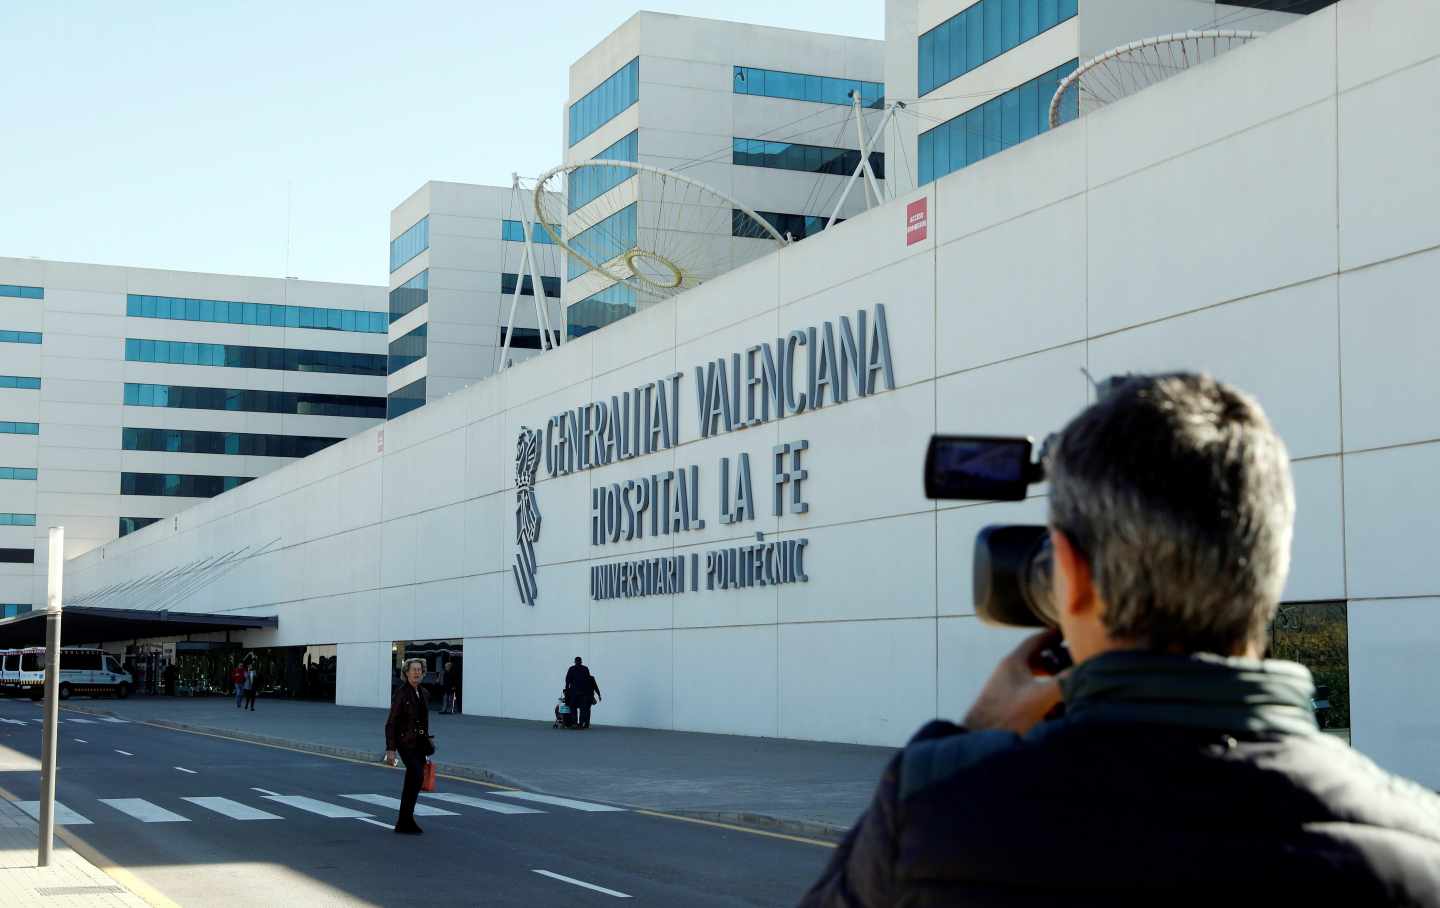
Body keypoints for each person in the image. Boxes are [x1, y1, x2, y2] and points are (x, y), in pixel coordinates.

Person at [798, 374, 1440, 906]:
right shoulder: (1419, 844)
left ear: (1071, 576)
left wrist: (971, 734)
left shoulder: (932, 819)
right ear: (1267, 573)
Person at [384, 658, 431, 835]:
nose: (417, 672)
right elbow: (391, 722)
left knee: (415, 780)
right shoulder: (401, 693)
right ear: (406, 672)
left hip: (419, 743)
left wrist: (426, 745)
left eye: (420, 670)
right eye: (413, 670)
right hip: (405, 742)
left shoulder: (424, 693)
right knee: (416, 775)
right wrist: (391, 749)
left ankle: (405, 820)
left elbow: (424, 722)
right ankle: (405, 820)